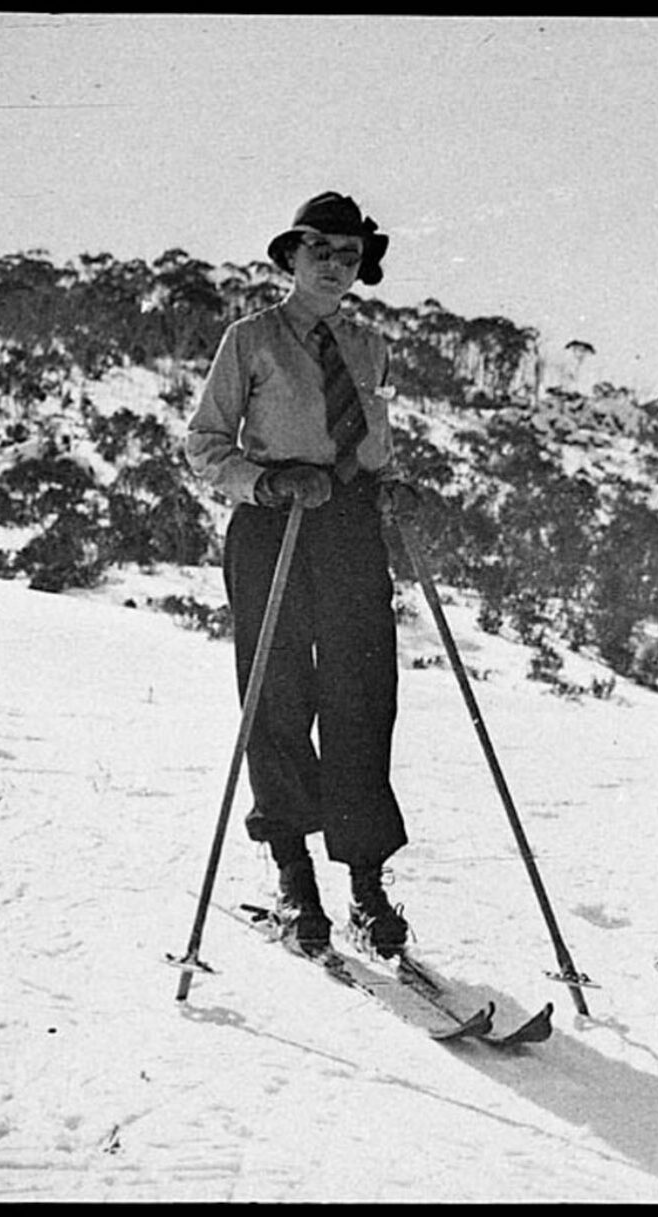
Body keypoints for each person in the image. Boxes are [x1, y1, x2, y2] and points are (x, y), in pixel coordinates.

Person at [186, 191, 424, 958]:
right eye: (319, 248)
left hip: (349, 527)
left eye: (350, 253)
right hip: (274, 524)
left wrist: (386, 484)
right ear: (290, 256)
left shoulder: (370, 344)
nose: (334, 264)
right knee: (278, 688)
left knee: (362, 693)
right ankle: (293, 869)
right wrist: (267, 481)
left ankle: (365, 881)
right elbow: (206, 444)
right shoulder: (250, 339)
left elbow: (371, 442)